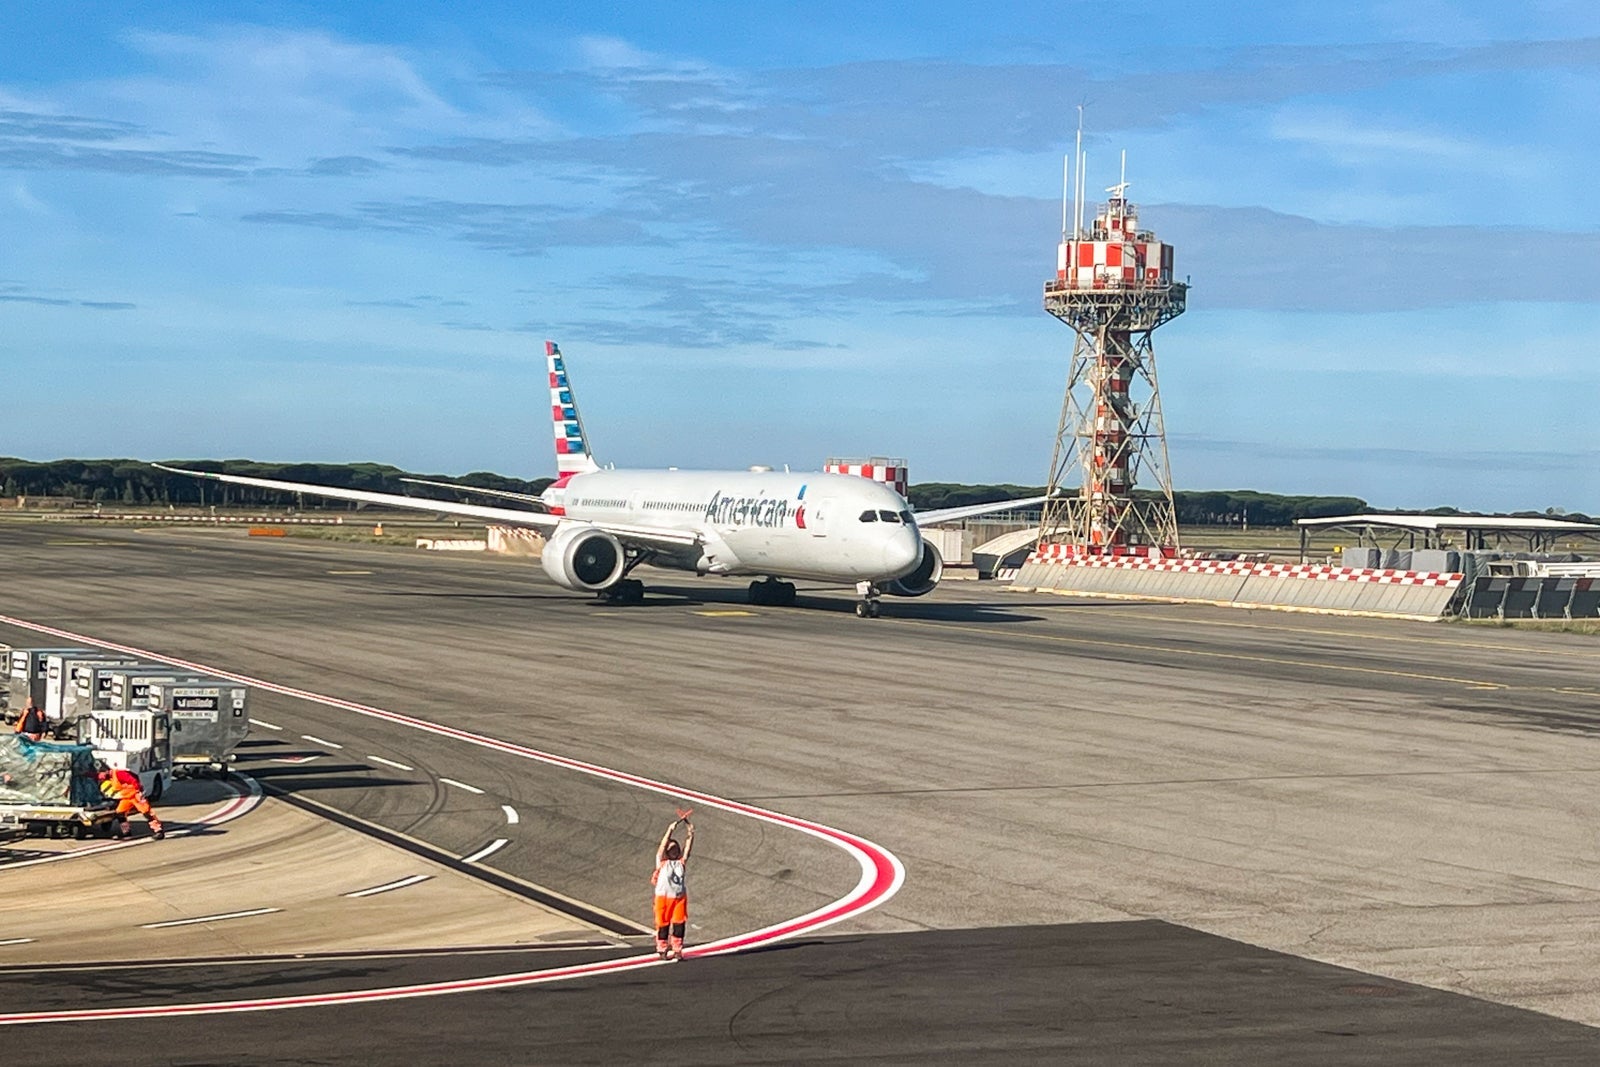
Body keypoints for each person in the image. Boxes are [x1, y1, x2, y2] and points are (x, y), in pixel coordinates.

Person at [650, 817, 694, 960]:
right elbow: (661, 848)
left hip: (679, 898)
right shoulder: (662, 862)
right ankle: (662, 949)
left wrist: (690, 834)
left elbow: (688, 849)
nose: (674, 850)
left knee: (679, 925)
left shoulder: (681, 863)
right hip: (663, 898)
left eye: (676, 848)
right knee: (662, 925)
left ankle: (677, 949)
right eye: (671, 849)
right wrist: (670, 830)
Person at [96, 762, 165, 840]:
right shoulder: (110, 777)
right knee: (120, 812)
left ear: (106, 771)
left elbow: (133, 780)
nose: (100, 777)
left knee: (146, 812)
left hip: (135, 795)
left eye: (101, 774)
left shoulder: (119, 773)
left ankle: (158, 831)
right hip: (126, 797)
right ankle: (126, 832)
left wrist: (139, 792)